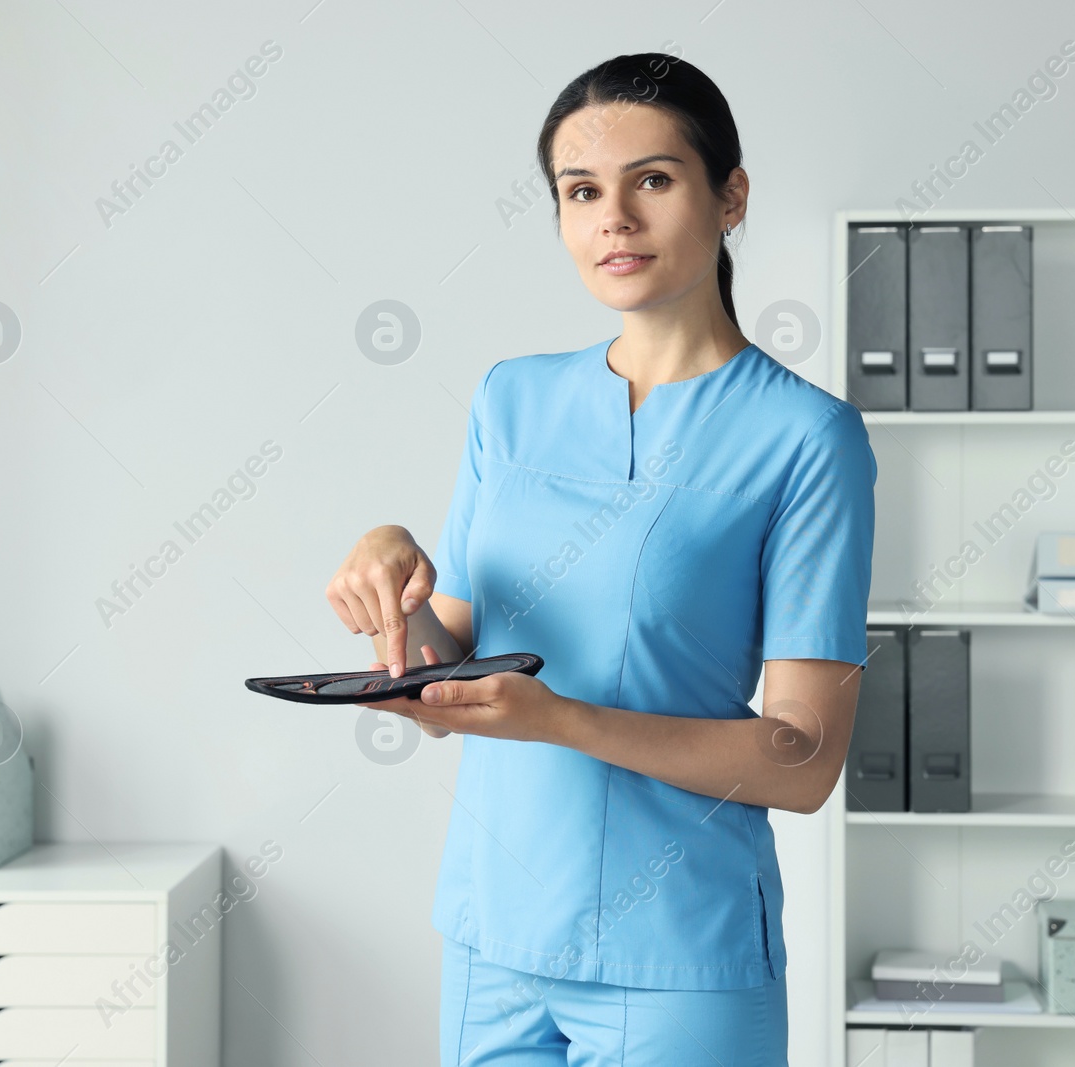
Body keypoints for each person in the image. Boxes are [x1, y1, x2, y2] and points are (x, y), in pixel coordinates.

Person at [326, 52, 876, 1067]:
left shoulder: (806, 439)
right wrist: (390, 563)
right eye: (581, 192)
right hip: (494, 932)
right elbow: (454, 637)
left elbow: (804, 761)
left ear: (730, 196)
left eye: (652, 180)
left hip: (677, 954)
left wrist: (560, 720)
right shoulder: (511, 398)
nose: (612, 219)